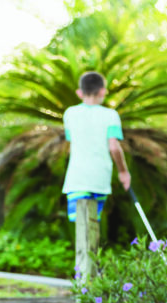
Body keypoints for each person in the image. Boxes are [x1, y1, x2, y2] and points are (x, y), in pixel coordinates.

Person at [62, 71, 131, 222]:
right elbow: (114, 147)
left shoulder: (69, 114)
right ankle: (90, 247)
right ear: (103, 91)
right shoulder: (111, 115)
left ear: (79, 93)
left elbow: (71, 142)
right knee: (91, 225)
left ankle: (86, 247)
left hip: (77, 179)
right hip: (100, 179)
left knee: (82, 226)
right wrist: (123, 172)